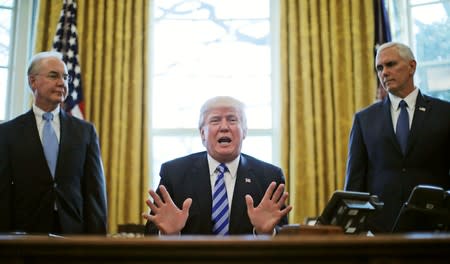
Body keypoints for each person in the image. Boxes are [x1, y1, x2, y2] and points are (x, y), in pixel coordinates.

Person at [142, 96, 292, 235]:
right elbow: (151, 233)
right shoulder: (174, 174)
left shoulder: (269, 177)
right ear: (202, 134)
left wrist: (265, 233)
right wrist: (170, 235)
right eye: (215, 121)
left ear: (244, 132)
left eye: (232, 120)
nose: (224, 127)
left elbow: (285, 237)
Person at [344, 42, 450, 233]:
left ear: (412, 67)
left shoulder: (444, 113)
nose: (384, 72)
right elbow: (354, 183)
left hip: (434, 229)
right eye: (379, 68)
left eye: (390, 64)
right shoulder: (364, 119)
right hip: (380, 231)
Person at [0, 51, 108, 235]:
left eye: (65, 77)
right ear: (32, 81)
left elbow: (95, 192)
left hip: (73, 233)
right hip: (25, 235)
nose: (62, 83)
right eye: (53, 76)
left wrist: (97, 242)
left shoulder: (85, 132)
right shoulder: (7, 132)